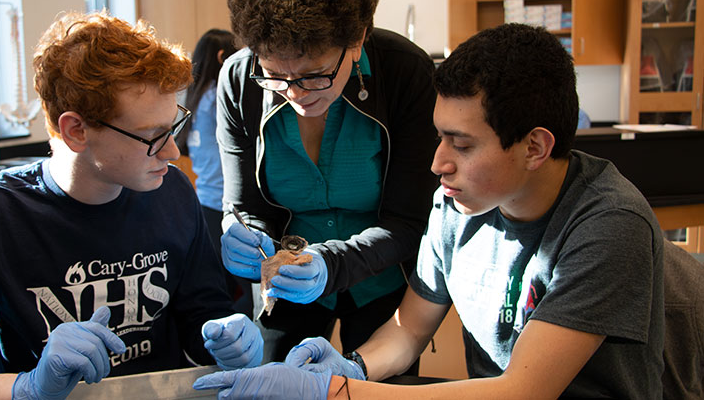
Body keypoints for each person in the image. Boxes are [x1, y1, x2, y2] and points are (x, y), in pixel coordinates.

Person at [194, 23, 666, 399]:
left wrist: (335, 391)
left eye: (460, 145)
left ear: (535, 146)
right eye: (439, 137)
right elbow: (408, 333)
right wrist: (351, 365)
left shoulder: (608, 226)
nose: (438, 163)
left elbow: (523, 390)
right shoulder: (456, 207)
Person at [0, 11, 262, 399]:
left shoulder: (173, 193)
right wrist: (26, 389)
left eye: (173, 126)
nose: (171, 152)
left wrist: (229, 338)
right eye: (151, 136)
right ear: (76, 130)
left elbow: (203, 314)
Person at [216, 0, 437, 366]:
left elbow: (410, 221)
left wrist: (330, 264)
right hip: (286, 281)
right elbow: (243, 205)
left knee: (375, 386)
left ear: (357, 40)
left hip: (381, 277)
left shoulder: (404, 72)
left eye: (314, 75)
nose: (295, 93)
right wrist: (240, 231)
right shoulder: (239, 80)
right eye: (275, 75)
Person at [175, 29, 250, 317]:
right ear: (223, 57)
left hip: (205, 205)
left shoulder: (195, 97)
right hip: (224, 206)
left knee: (223, 288)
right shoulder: (219, 97)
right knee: (249, 296)